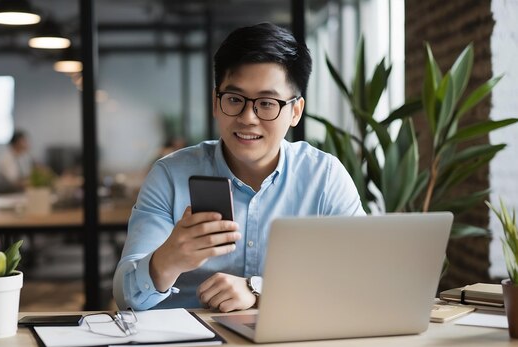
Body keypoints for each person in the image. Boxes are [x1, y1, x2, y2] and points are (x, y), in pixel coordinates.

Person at [113, 23, 365, 312]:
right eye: (234, 99)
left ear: (295, 112)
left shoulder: (324, 178)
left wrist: (257, 289)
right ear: (215, 102)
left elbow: (362, 279)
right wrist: (167, 261)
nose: (248, 118)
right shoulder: (170, 175)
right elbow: (125, 295)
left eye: (267, 103)